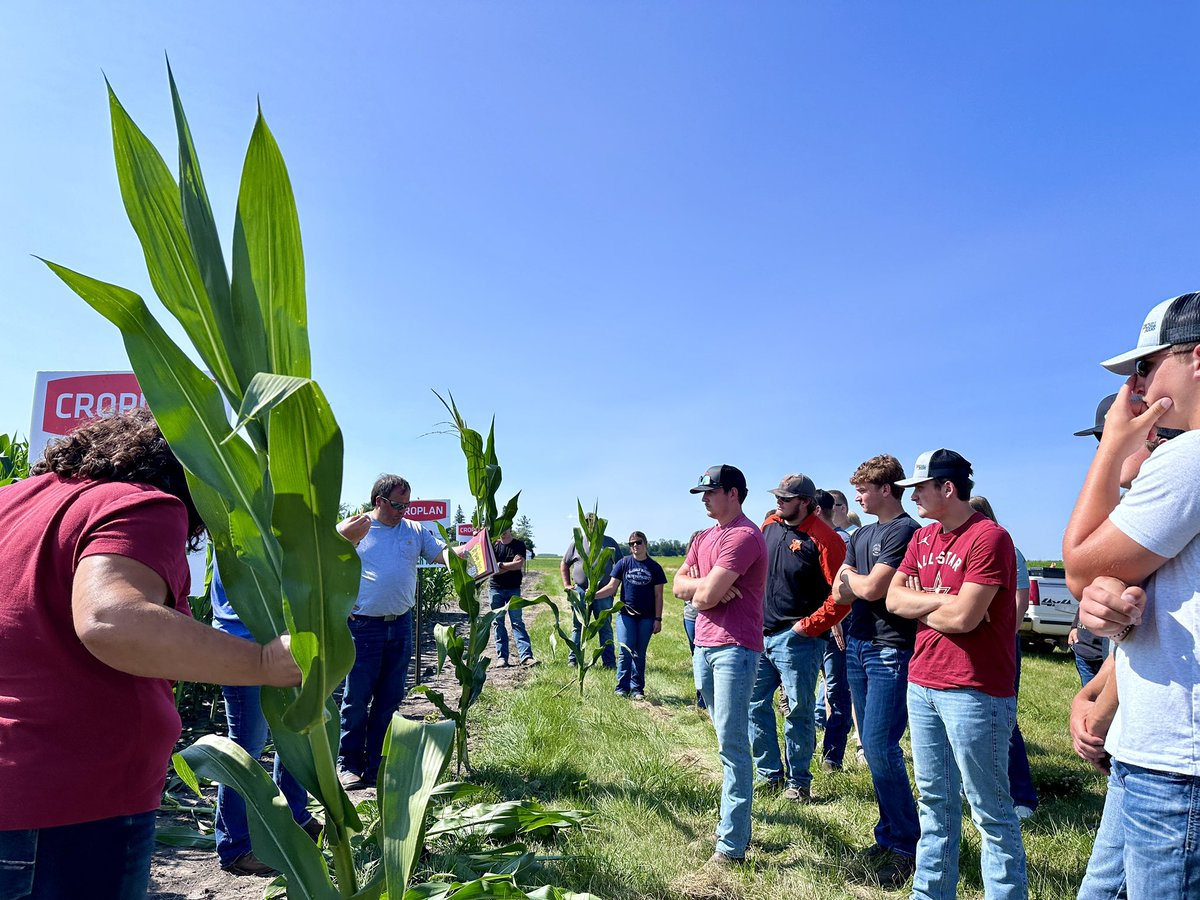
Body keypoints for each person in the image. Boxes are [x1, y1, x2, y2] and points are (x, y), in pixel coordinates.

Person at [0, 409, 300, 898]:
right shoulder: (140, 503)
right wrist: (263, 663)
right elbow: (112, 620)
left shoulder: (10, 502)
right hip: (68, 803)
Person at [1062, 291, 1200, 899]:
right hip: (1151, 753)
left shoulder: (1190, 457)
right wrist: (1101, 687)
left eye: (1147, 365)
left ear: (1196, 359)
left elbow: (1077, 564)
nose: (1136, 386)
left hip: (1176, 766)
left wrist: (1116, 443)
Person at [886, 448, 1027, 900]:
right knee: (935, 803)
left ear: (947, 488)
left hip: (975, 690)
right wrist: (944, 602)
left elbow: (966, 619)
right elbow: (893, 601)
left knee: (990, 810)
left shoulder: (990, 538)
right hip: (923, 682)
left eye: (919, 489)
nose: (913, 499)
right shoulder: (923, 538)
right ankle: (929, 893)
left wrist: (924, 600)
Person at [672, 465, 768, 867]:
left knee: (732, 745)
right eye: (702, 494)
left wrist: (704, 587)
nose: (704, 499)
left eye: (710, 492)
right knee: (724, 738)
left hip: (734, 648)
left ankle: (731, 846)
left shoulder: (745, 536)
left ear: (734, 493)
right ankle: (735, 830)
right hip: (704, 646)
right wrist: (704, 586)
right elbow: (679, 587)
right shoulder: (704, 537)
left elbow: (706, 596)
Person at [833, 453, 922, 888]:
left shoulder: (906, 531)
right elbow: (842, 591)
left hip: (891, 648)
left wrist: (855, 581)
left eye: (864, 489)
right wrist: (855, 583)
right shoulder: (864, 533)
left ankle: (906, 842)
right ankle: (889, 834)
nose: (858, 497)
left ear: (886, 488)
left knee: (881, 746)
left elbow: (869, 587)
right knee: (872, 745)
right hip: (859, 641)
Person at [335, 474, 455, 789]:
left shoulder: (414, 530)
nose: (403, 510)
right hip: (363, 627)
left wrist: (469, 556)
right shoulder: (357, 528)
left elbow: (442, 555)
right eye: (397, 505)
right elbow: (325, 558)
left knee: (389, 699)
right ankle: (348, 764)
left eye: (407, 504)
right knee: (356, 698)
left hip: (400, 625)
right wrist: (343, 540)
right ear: (379, 501)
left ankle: (376, 764)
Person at [749, 475, 846, 805]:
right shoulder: (770, 526)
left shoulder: (826, 539)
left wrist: (807, 627)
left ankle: (799, 782)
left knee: (799, 712)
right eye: (777, 496)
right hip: (761, 636)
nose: (779, 501)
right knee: (753, 704)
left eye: (786, 498)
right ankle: (769, 774)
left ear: (805, 502)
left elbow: (842, 597)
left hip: (799, 642)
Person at [970, 495, 1039, 821]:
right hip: (967, 647)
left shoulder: (1010, 551)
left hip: (1001, 647)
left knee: (1004, 721)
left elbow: (1018, 605)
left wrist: (991, 635)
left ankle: (1022, 796)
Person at [594, 531, 667, 699]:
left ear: (645, 544)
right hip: (626, 615)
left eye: (638, 542)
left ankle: (637, 689)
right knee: (625, 650)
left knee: (639, 653)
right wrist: (593, 595)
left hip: (647, 617)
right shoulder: (623, 563)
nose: (635, 545)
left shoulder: (654, 567)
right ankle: (621, 687)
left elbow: (659, 596)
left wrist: (658, 619)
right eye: (631, 543)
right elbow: (612, 587)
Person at [812, 489, 853, 773]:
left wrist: (835, 619)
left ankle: (832, 756)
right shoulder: (803, 539)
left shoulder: (843, 540)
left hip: (836, 624)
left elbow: (840, 587)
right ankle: (800, 755)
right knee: (803, 692)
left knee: (837, 688)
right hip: (807, 624)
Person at [560, 514, 622, 668]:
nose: (590, 525)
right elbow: (564, 563)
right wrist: (567, 585)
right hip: (580, 591)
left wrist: (614, 586)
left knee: (604, 626)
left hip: (603, 592)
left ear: (599, 523)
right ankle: (573, 660)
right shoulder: (577, 542)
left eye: (593, 522)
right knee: (578, 626)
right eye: (587, 522)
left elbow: (621, 566)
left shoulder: (609, 542)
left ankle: (609, 663)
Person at [490, 527, 536, 667]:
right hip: (495, 589)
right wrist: (506, 566)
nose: (503, 531)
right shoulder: (493, 546)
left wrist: (500, 565)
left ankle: (526, 656)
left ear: (510, 529)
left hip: (513, 589)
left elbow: (518, 565)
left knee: (517, 622)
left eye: (505, 528)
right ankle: (502, 658)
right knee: (498, 623)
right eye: (500, 528)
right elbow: (491, 569)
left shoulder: (518, 545)